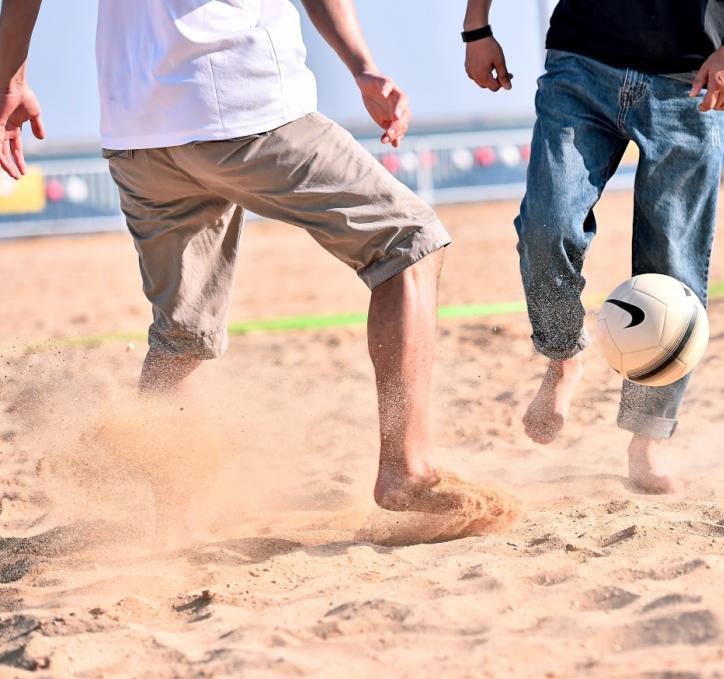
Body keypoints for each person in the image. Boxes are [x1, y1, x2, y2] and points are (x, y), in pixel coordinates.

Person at [0, 0, 461, 515]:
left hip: (138, 131)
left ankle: (174, 529)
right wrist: (363, 66)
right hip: (245, 105)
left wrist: (10, 78)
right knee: (409, 244)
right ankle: (406, 470)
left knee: (180, 337)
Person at [462, 0, 724, 493]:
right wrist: (476, 27)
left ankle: (648, 435)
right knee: (546, 227)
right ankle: (562, 357)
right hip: (582, 61)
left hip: (690, 76)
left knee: (673, 267)